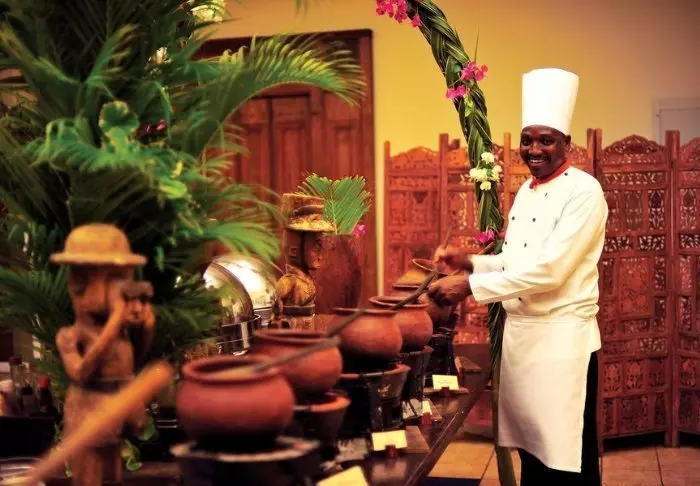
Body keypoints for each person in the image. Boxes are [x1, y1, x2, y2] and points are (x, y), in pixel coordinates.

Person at [428, 68, 607, 486]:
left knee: (567, 462)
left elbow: (551, 270)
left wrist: (469, 287)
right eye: (528, 140)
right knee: (533, 458)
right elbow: (517, 261)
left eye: (546, 140)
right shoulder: (526, 191)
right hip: (522, 342)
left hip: (562, 345)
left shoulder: (585, 191)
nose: (534, 149)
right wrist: (469, 262)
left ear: (566, 144)